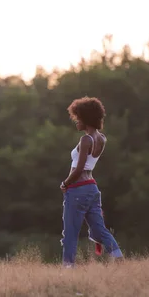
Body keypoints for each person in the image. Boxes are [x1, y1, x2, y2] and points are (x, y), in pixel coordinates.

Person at [59, 96, 123, 267]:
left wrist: (65, 183)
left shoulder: (86, 139)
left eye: (78, 118)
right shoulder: (102, 138)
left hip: (78, 189)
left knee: (70, 232)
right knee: (99, 230)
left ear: (85, 118)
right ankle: (118, 258)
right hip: (92, 189)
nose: (76, 122)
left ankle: (67, 267)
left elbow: (79, 169)